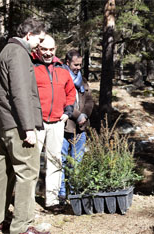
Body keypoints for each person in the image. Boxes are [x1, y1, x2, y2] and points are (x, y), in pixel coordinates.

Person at [0, 18, 49, 234]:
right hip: (19, 126)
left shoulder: (6, 51)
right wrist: (28, 127)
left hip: (6, 124)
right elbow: (19, 92)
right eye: (39, 39)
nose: (40, 44)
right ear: (29, 35)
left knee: (3, 172)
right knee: (27, 173)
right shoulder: (19, 53)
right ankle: (22, 227)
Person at [32, 35, 76, 210]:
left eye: (51, 49)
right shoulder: (31, 66)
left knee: (55, 161)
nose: (48, 53)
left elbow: (70, 92)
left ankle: (52, 201)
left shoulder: (62, 69)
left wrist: (68, 112)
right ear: (38, 49)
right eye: (44, 49)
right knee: (32, 163)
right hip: (36, 122)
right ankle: (27, 202)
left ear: (56, 49)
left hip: (57, 122)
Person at [58, 49, 94, 200]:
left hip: (81, 128)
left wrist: (84, 114)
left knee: (77, 161)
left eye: (80, 65)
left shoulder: (83, 80)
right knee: (61, 161)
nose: (78, 68)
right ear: (67, 62)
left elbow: (90, 100)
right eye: (75, 64)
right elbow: (63, 103)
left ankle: (74, 192)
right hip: (65, 127)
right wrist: (77, 115)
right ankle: (60, 194)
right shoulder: (60, 78)